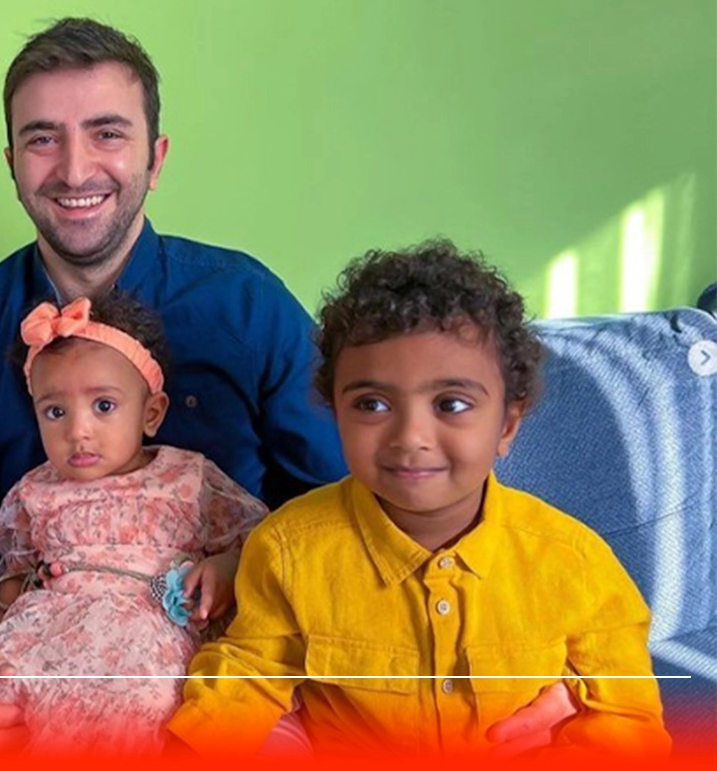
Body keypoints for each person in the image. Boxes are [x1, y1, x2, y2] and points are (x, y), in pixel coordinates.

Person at [0, 17, 579, 756]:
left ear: (156, 157)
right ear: (11, 163)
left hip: (236, 671)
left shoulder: (246, 305)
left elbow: (366, 492)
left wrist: (515, 652)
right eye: (42, 139)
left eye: (107, 133)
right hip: (37, 669)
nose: (74, 167)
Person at [169, 240, 671, 758]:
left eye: (451, 404)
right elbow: (245, 680)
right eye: (372, 404)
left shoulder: (575, 564)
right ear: (336, 414)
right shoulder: (286, 551)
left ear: (507, 424)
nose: (410, 436)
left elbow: (627, 719)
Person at [0, 292, 267, 754]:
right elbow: (12, 578)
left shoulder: (187, 478)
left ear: (151, 413)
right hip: (45, 634)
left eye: (104, 406)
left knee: (141, 701)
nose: (78, 431)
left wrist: (228, 567)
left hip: (145, 638)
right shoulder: (34, 490)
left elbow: (263, 544)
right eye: (55, 412)